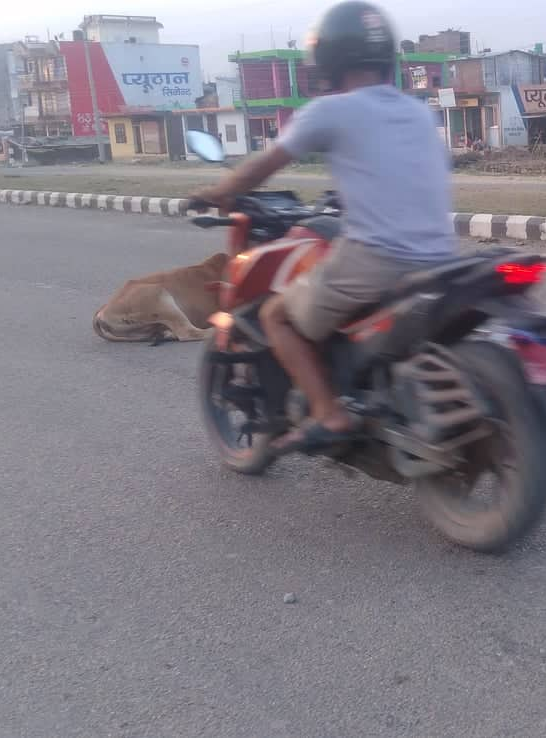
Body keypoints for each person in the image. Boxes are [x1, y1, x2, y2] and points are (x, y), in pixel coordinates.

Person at [188, 1, 459, 454]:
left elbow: (264, 166)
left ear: (330, 60)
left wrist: (219, 192)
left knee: (278, 315)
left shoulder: (329, 111)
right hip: (441, 260)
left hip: (378, 258)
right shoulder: (417, 112)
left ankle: (329, 413)